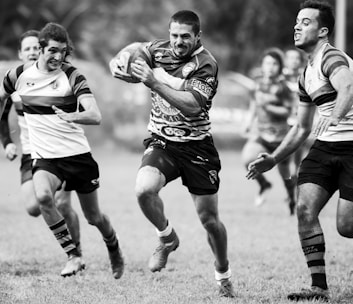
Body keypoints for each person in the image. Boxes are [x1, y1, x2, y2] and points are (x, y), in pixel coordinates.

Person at [247, 0, 353, 301]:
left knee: (348, 227)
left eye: (305, 22)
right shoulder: (305, 75)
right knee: (304, 209)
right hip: (325, 148)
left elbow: (347, 89)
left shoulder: (331, 57)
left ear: (323, 30)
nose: (297, 26)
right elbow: (300, 127)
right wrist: (273, 159)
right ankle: (318, 287)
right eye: (297, 21)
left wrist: (334, 117)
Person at [110, 10, 235, 297]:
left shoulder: (206, 64)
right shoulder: (159, 49)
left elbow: (192, 105)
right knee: (143, 189)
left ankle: (223, 271)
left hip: (197, 148)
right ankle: (166, 239)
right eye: (174, 35)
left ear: (197, 36)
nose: (178, 42)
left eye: (185, 37)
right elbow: (136, 48)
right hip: (162, 141)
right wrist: (118, 60)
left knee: (210, 221)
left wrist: (155, 82)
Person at [0, 22, 124, 279]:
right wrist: (6, 139)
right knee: (43, 197)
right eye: (53, 50)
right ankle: (73, 255)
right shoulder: (18, 76)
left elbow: (95, 115)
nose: (58, 56)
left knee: (94, 216)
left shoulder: (72, 75)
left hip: (77, 156)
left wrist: (72, 116)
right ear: (41, 48)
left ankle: (113, 245)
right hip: (45, 158)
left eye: (63, 51)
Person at [0, 30, 84, 264]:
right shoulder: (16, 82)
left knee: (63, 203)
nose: (31, 52)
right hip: (30, 153)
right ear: (20, 53)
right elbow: (2, 116)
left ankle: (76, 253)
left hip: (62, 152)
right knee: (33, 207)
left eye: (35, 48)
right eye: (26, 49)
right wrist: (7, 143)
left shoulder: (59, 78)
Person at [241, 48, 296, 214]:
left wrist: (268, 105)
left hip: (281, 137)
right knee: (248, 159)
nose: (270, 67)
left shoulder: (284, 88)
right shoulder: (257, 84)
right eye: (267, 63)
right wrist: (248, 122)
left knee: (285, 175)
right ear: (262, 65)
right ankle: (264, 184)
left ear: (279, 67)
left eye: (274, 63)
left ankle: (291, 197)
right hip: (261, 134)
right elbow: (253, 105)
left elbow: (287, 112)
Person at [283, 48, 312, 173]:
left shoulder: (306, 76)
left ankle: (295, 175)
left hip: (300, 120)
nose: (294, 61)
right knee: (283, 155)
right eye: (291, 58)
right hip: (283, 121)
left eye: (296, 58)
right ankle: (288, 180)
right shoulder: (279, 77)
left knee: (298, 152)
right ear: (285, 60)